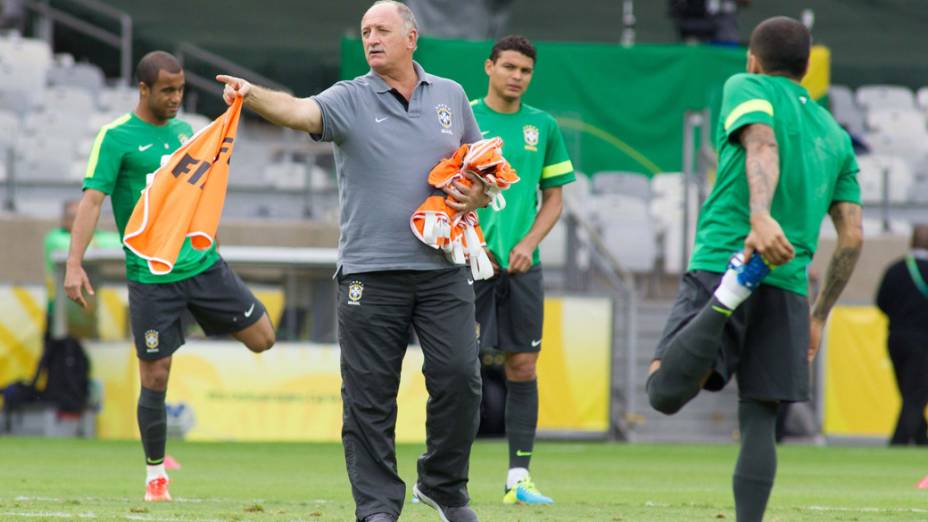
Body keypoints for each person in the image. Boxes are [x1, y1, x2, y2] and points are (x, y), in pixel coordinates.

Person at [216, 3, 486, 521]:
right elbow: (299, 113)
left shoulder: (451, 95)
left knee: (460, 378)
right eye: (365, 31)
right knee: (369, 396)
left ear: (412, 36)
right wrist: (252, 96)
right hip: (369, 272)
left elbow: (480, 168)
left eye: (382, 30)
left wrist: (473, 193)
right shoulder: (349, 97)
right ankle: (378, 508)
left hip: (443, 268)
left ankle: (443, 486)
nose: (371, 38)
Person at [646, 17, 862, 522]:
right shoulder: (835, 133)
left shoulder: (747, 85)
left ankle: (728, 294)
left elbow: (761, 143)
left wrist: (760, 216)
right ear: (807, 69)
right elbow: (851, 236)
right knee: (760, 419)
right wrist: (820, 315)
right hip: (791, 287)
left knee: (663, 393)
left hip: (731, 254)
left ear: (753, 59)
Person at [65, 50, 275, 502]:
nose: (177, 98)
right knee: (155, 376)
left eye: (181, 89)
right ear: (144, 89)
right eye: (167, 90)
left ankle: (189, 321)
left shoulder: (185, 133)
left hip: (201, 265)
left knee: (264, 337)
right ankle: (156, 475)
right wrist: (74, 263)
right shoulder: (116, 137)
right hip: (149, 275)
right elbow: (92, 202)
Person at [470, 35, 574, 506]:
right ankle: (438, 474)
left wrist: (529, 243)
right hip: (467, 264)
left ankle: (518, 477)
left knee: (523, 365)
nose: (517, 76)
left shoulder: (543, 126)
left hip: (522, 268)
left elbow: (554, 198)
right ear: (489, 66)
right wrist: (473, 243)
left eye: (525, 70)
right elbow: (441, 188)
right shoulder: (465, 118)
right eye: (509, 66)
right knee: (454, 370)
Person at [876, 224, 928, 446]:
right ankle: (898, 442)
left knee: (909, 391)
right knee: (916, 394)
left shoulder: (895, 269)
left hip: (896, 338)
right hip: (923, 340)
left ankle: (920, 438)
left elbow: (881, 302)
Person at [44, 199, 121, 334]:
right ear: (65, 220)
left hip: (87, 310)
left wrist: (89, 239)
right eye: (75, 217)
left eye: (83, 217)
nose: (80, 222)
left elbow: (121, 242)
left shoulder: (96, 235)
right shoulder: (55, 237)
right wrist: (88, 240)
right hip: (60, 310)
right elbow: (69, 247)